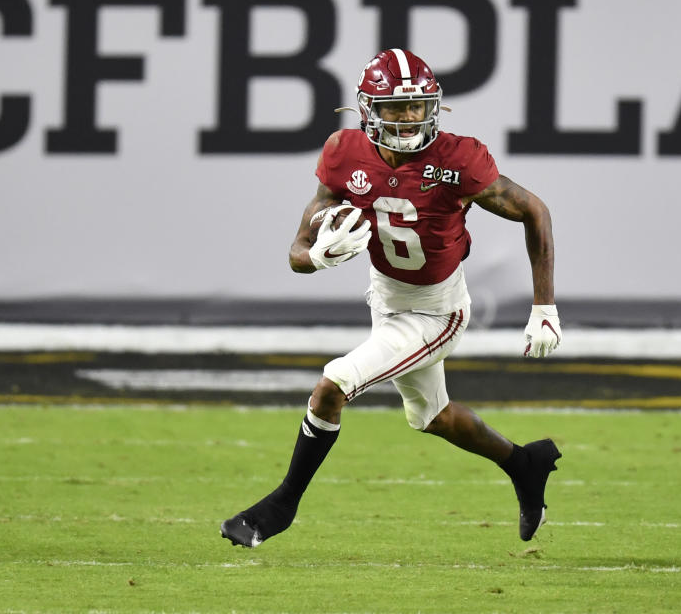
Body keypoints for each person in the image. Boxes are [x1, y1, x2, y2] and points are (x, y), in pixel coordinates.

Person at [220, 48, 563, 547]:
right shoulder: (344, 152)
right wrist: (318, 255)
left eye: (417, 107)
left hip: (437, 310)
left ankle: (280, 506)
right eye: (395, 108)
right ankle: (523, 464)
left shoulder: (457, 159)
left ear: (434, 108)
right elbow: (296, 249)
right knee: (433, 416)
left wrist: (544, 307)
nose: (407, 119)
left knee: (333, 385)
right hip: (385, 297)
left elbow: (534, 209)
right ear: (368, 110)